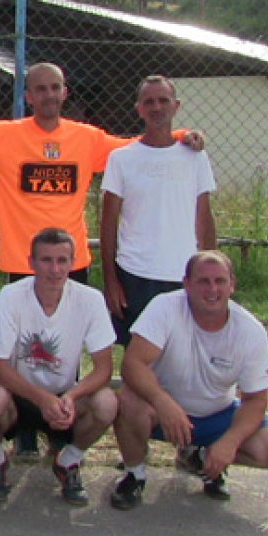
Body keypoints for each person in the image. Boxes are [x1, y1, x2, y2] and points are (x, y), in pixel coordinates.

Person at [0, 62, 203, 283]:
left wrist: (179, 135)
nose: (49, 95)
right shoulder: (1, 135)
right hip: (23, 261)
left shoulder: (87, 138)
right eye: (41, 89)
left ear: (65, 92)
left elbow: (134, 148)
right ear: (28, 97)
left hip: (71, 260)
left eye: (55, 87)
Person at [110, 250, 268, 510]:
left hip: (217, 413)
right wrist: (162, 402)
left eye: (220, 281)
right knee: (127, 401)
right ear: (186, 284)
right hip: (162, 412)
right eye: (203, 281)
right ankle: (134, 475)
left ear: (232, 285)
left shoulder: (250, 331)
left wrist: (229, 443)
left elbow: (255, 401)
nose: (212, 290)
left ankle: (202, 457)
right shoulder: (165, 307)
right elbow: (132, 364)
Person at [0, 228, 118, 506]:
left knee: (107, 403)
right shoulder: (11, 296)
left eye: (62, 261)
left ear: (73, 263)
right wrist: (41, 399)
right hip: (20, 396)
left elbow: (104, 369)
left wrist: (71, 397)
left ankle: (68, 461)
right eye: (46, 260)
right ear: (31, 262)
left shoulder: (90, 299)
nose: (55, 270)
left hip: (64, 399)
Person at [100, 75, 217, 346]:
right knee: (137, 355)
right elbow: (108, 224)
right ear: (139, 109)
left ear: (176, 106)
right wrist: (111, 281)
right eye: (149, 102)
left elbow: (204, 218)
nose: (157, 108)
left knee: (182, 351)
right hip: (135, 274)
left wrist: (211, 271)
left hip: (183, 273)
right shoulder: (121, 159)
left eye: (163, 101)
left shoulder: (195, 157)